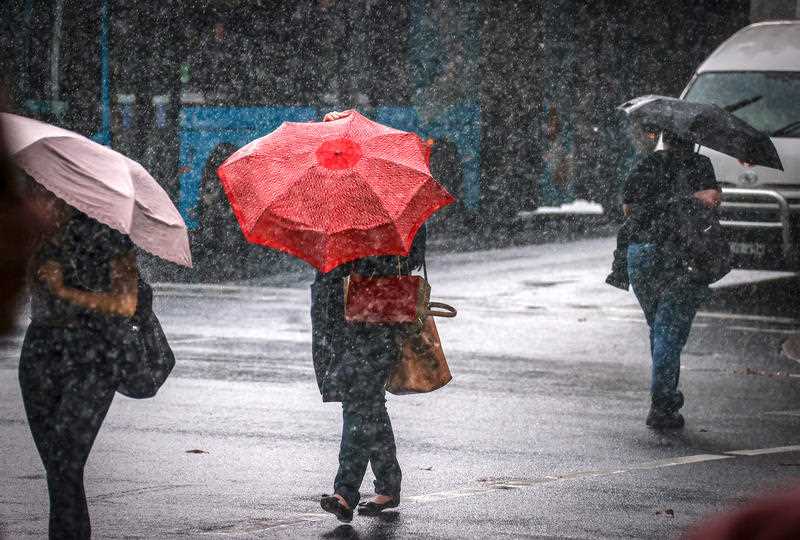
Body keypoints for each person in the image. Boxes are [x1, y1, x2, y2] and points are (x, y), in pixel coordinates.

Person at [311, 109, 426, 523]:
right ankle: (388, 485)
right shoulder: (325, 195)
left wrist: (364, 252)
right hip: (341, 316)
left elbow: (412, 252)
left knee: (360, 399)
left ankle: (345, 491)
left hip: (377, 310)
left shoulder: (386, 194)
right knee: (364, 400)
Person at [19, 179, 138, 539]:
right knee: (58, 471)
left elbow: (125, 303)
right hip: (41, 355)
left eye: (52, 193)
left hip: (93, 358)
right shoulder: (35, 235)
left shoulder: (108, 235)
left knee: (66, 464)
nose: (46, 200)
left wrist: (64, 291)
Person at [620, 130, 721, 429]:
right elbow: (711, 202)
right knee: (669, 331)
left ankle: (665, 397)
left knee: (660, 328)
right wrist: (692, 199)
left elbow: (629, 209)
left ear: (665, 138)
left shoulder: (644, 165)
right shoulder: (700, 165)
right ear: (692, 141)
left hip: (641, 254)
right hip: (682, 255)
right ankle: (663, 405)